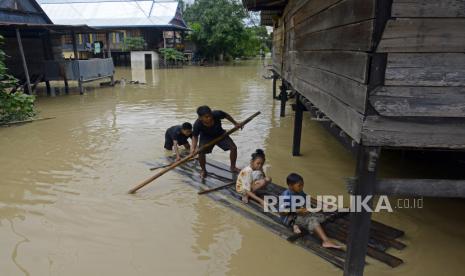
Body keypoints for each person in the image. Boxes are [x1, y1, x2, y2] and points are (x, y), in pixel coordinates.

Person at [280, 173, 341, 249]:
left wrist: (323, 204)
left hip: (299, 213)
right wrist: (297, 211)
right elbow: (282, 212)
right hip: (289, 218)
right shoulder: (286, 195)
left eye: (302, 185)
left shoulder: (299, 191)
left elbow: (308, 198)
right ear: (290, 186)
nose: (302, 187)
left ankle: (300, 226)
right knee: (312, 220)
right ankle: (326, 241)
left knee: (321, 216)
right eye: (299, 185)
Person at [190, 105, 241, 179]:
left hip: (220, 134)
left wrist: (235, 123)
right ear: (200, 118)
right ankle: (203, 170)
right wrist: (193, 149)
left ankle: (233, 167)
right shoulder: (197, 124)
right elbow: (195, 137)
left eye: (210, 115)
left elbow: (227, 116)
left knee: (233, 148)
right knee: (201, 152)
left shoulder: (217, 114)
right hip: (206, 137)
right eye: (206, 117)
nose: (210, 118)